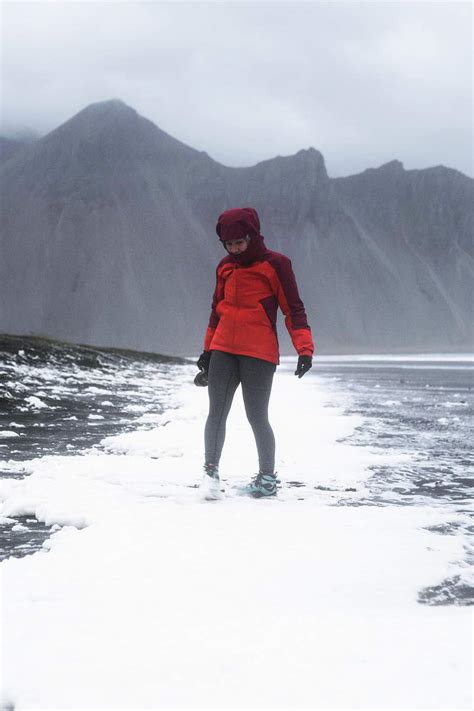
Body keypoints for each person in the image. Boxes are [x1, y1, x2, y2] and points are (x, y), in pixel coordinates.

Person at [196, 207, 314, 499]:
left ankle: (267, 479)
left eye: (239, 243)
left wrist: (304, 348)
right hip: (224, 348)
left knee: (257, 416)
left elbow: (293, 308)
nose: (235, 249)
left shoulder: (276, 265)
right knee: (216, 413)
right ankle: (210, 475)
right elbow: (216, 311)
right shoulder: (225, 267)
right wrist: (207, 350)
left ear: (252, 237)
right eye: (229, 244)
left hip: (258, 352)